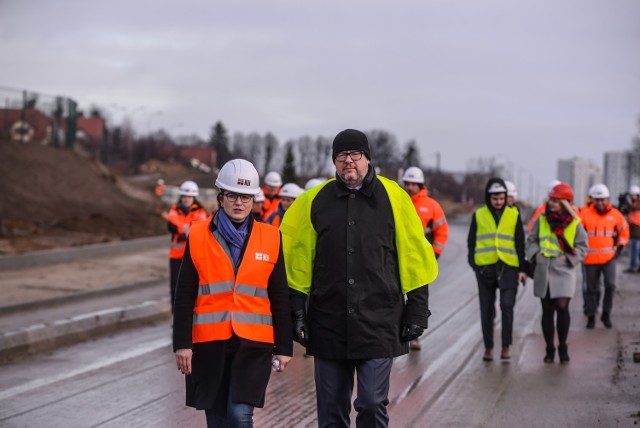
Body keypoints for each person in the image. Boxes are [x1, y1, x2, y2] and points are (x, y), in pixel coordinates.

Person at [280, 129, 437, 428]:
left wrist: (417, 307)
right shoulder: (313, 200)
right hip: (328, 322)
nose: (348, 161)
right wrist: (297, 310)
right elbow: (297, 259)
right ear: (334, 162)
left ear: (367, 158)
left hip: (378, 321)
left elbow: (414, 255)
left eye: (355, 154)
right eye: (341, 156)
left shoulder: (395, 198)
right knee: (330, 413)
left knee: (371, 402)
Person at [173, 159, 293, 427]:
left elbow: (280, 296)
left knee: (240, 417)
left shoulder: (271, 237)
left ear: (254, 200)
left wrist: (284, 347)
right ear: (221, 197)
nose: (239, 202)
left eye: (246, 197)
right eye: (232, 195)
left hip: (253, 345)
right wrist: (182, 344)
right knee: (217, 421)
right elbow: (184, 295)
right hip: (208, 345)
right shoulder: (198, 235)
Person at [525, 183, 588, 364]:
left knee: (562, 307)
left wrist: (569, 259)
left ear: (564, 203)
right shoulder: (542, 219)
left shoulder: (575, 223)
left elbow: (583, 247)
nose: (551, 203)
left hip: (564, 270)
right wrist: (535, 254)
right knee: (547, 310)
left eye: (556, 201)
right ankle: (549, 348)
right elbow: (531, 240)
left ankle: (562, 346)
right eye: (550, 200)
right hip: (543, 268)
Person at [467, 178, 527, 362]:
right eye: (495, 199)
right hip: (485, 269)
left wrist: (522, 269)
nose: (499, 202)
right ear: (488, 198)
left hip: (508, 267)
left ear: (506, 197)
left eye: (501, 198)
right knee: (486, 309)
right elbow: (472, 241)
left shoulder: (514, 215)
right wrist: (474, 264)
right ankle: (488, 347)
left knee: (507, 306)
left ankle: (506, 346)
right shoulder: (479, 215)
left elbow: (520, 243)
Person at [402, 166, 448, 351]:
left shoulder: (432, 206)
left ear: (421, 185)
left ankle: (415, 336)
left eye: (414, 183)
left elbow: (442, 231)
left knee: (418, 299)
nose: (410, 186)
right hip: (397, 259)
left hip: (420, 260)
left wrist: (434, 254)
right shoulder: (398, 201)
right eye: (408, 183)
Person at [580, 184, 629, 329]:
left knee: (610, 285)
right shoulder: (584, 213)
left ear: (607, 199)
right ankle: (591, 316)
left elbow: (624, 231)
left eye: (603, 200)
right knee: (591, 289)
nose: (600, 203)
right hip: (590, 259)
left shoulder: (615, 214)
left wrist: (619, 248)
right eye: (597, 200)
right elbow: (576, 231)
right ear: (592, 200)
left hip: (609, 258)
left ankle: (606, 314)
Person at [163, 180, 208, 312]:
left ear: (194, 197)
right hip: (176, 256)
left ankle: (192, 313)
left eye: (189, 196)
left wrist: (184, 230)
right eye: (184, 196)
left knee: (192, 287)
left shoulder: (200, 211)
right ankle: (175, 314)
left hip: (193, 256)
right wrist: (184, 229)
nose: (186, 199)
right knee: (175, 287)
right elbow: (170, 224)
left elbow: (200, 229)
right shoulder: (174, 209)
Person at [621, 185, 640, 273]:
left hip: (638, 231)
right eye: (631, 195)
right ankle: (634, 266)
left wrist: (626, 202)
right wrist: (621, 201)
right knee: (635, 250)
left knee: (636, 250)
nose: (633, 197)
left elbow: (633, 209)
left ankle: (633, 267)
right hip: (633, 231)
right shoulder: (631, 204)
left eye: (634, 195)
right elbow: (623, 211)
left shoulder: (637, 204)